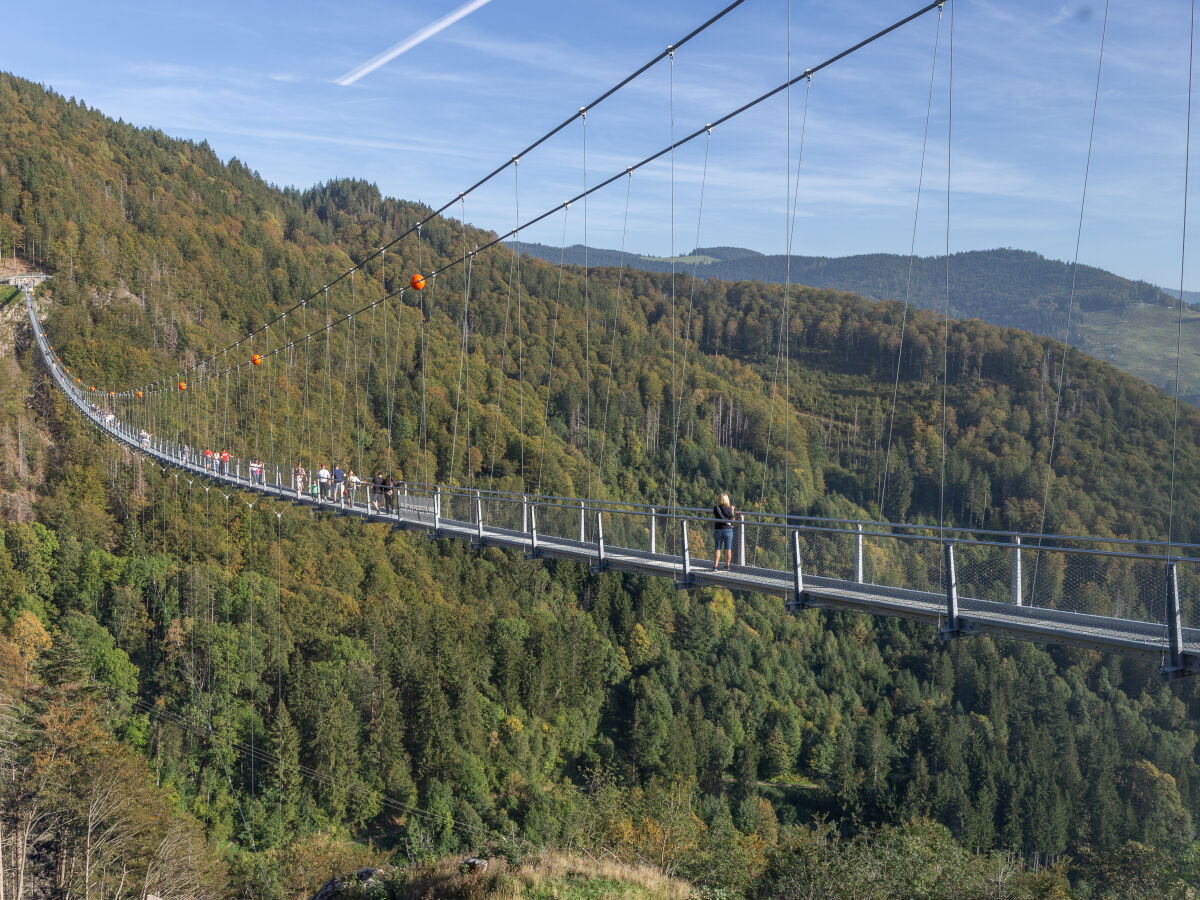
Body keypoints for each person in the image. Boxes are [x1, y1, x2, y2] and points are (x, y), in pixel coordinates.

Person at [713, 493, 736, 570]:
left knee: (717, 548)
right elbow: (732, 519)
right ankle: (727, 566)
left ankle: (715, 566)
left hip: (718, 530)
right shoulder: (729, 509)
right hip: (728, 530)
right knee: (728, 548)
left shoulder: (716, 508)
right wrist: (732, 510)